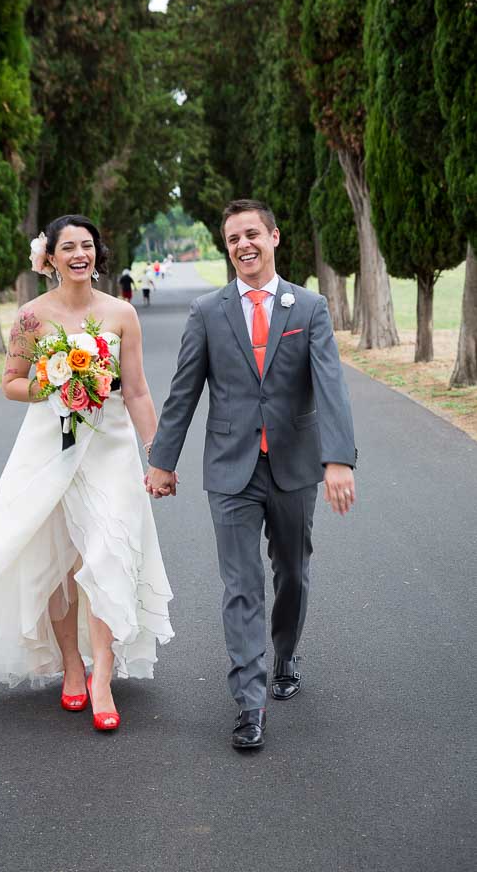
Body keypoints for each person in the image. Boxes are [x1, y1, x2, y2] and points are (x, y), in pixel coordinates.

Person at [0, 215, 174, 733]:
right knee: (57, 560)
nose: (79, 254)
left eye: (87, 246)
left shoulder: (122, 314)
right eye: (68, 247)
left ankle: (102, 672)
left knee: (107, 553)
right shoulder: (32, 317)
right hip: (49, 449)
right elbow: (10, 383)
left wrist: (158, 455)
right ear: (50, 258)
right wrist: (55, 382)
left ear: (97, 255)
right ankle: (71, 666)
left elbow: (138, 390)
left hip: (109, 448)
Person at [146, 199, 356, 751]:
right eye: (233, 238)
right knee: (241, 587)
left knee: (292, 571)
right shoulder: (208, 312)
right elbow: (184, 390)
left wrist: (338, 459)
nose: (243, 245)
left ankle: (285, 652)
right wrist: (162, 460)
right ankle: (250, 703)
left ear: (274, 238)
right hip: (230, 471)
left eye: (251, 234)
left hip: (294, 468)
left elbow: (330, 384)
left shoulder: (308, 308)